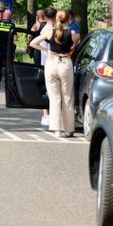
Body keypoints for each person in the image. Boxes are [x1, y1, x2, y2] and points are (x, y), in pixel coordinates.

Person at [29, 9, 77, 138]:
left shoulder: (50, 33)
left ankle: (56, 129)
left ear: (56, 19)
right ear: (68, 20)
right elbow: (74, 46)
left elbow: (33, 43)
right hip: (65, 63)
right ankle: (69, 128)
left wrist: (47, 50)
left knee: (54, 98)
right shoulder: (72, 33)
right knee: (67, 97)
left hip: (51, 63)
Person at [0, 9, 15, 89]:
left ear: (3, 15)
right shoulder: (11, 25)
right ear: (10, 16)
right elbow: (14, 37)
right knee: (8, 65)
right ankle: (7, 81)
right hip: (7, 49)